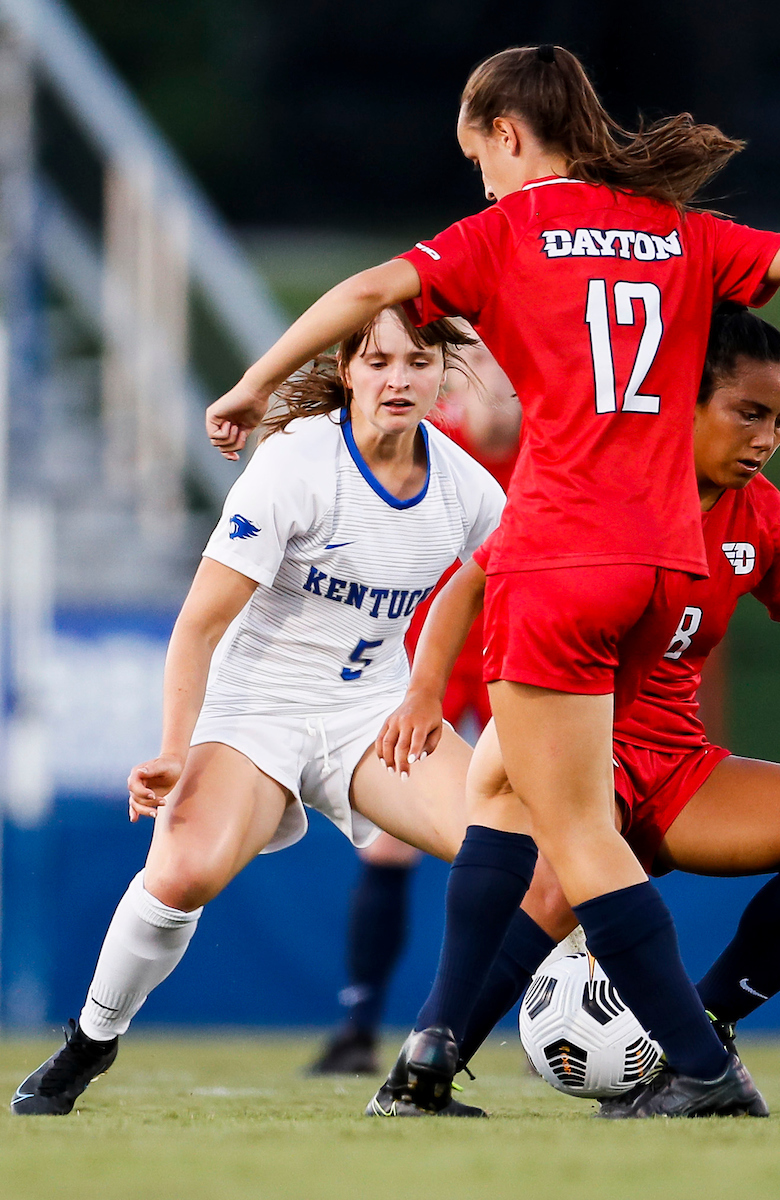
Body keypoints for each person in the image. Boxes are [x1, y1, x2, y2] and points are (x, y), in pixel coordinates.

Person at [202, 44, 780, 1119]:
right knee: (500, 791)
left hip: (557, 552)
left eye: (478, 156)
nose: (481, 180)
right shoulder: (677, 236)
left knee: (578, 836)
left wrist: (251, 382)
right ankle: (425, 1064)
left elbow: (370, 290)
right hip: (659, 561)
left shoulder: (507, 229)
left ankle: (701, 1068)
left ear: (506, 134)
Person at [372, 304, 780, 1115]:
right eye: (749, 413)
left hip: (677, 765)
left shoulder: (764, 517)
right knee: (559, 883)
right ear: (684, 403)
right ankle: (423, 1073)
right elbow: (472, 580)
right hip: (577, 739)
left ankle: (696, 1035)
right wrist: (423, 692)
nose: (767, 438)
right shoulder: (600, 489)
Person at [11, 308, 506, 1116]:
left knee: (512, 855)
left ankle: (427, 1073)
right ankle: (89, 1045)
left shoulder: (468, 487)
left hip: (371, 713)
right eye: (378, 361)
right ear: (348, 369)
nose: (398, 379)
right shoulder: (296, 465)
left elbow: (528, 583)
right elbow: (200, 624)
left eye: (418, 363)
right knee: (183, 874)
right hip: (257, 710)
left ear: (443, 375)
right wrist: (175, 749)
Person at [308, 340, 520, 1077]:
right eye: (491, 363)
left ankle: (543, 1022)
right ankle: (358, 1025)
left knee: (548, 837)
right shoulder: (432, 439)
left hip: (513, 658)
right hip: (426, 657)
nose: (507, 383)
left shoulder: (555, 448)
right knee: (389, 844)